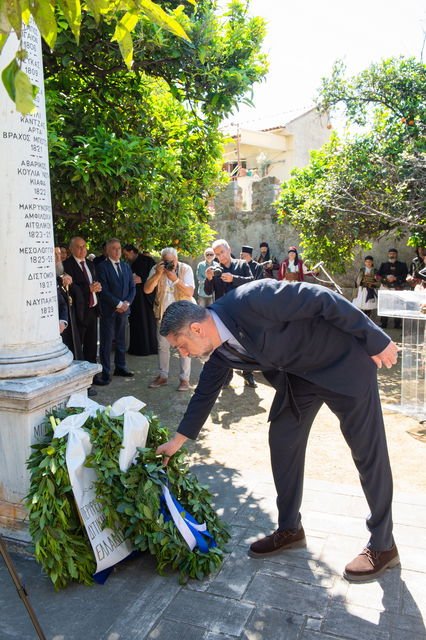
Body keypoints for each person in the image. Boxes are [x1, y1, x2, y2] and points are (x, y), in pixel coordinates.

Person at [156, 280, 400, 583]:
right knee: (283, 442)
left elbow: (321, 298)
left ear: (196, 329)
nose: (183, 353)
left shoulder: (251, 299)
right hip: (300, 380)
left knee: (367, 453)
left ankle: (383, 545)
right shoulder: (219, 351)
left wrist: (375, 338)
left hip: (342, 365)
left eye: (180, 345)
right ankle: (290, 528)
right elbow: (205, 392)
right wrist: (177, 441)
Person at [204, 239, 255, 388]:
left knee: (246, 343)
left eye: (222, 252)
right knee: (226, 345)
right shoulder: (215, 269)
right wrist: (208, 279)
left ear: (229, 249)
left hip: (242, 312)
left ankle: (248, 374)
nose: (221, 256)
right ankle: (227, 376)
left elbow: (252, 282)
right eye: (217, 254)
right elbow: (208, 291)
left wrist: (234, 278)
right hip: (223, 314)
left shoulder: (242, 264)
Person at [144, 247, 195, 391]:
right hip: (163, 313)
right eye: (166, 261)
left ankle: (184, 379)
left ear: (177, 259)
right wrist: (157, 274)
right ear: (161, 260)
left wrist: (176, 279)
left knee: (184, 346)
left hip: (182, 315)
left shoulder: (185, 269)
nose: (169, 264)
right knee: (163, 346)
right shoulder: (156, 269)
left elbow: (190, 292)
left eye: (171, 261)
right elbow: (147, 289)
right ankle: (163, 376)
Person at [63, 237, 103, 388]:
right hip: (78, 312)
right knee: (77, 346)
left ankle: (92, 377)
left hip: (93, 309)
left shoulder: (90, 264)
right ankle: (79, 380)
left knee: (92, 345)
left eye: (84, 246)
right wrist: (89, 289)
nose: (82, 249)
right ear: (71, 249)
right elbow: (71, 289)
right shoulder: (67, 265)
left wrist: (97, 286)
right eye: (79, 247)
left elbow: (93, 282)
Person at [96, 238, 136, 384]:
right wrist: (118, 304)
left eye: (119, 248)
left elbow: (132, 288)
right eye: (113, 248)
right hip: (109, 311)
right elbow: (103, 291)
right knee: (106, 343)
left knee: (121, 340)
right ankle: (105, 372)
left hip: (124, 310)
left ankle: (120, 367)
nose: (117, 251)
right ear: (107, 250)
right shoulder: (102, 267)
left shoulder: (126, 266)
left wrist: (127, 303)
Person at [123, 244, 158, 356]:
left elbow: (155, 276)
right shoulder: (130, 263)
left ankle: (150, 348)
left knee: (148, 322)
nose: (126, 257)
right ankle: (137, 348)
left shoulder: (148, 261)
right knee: (136, 323)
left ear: (132, 251)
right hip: (135, 298)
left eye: (126, 254)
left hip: (146, 298)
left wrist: (142, 279)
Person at [376, 249, 408, 329]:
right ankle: (383, 324)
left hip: (397, 288)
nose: (392, 255)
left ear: (396, 254)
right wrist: (386, 277)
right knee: (384, 306)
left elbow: (406, 276)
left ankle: (397, 325)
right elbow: (378, 276)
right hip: (385, 288)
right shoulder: (383, 265)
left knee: (398, 306)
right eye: (390, 254)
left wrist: (396, 278)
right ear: (388, 254)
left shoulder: (402, 265)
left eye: (393, 253)